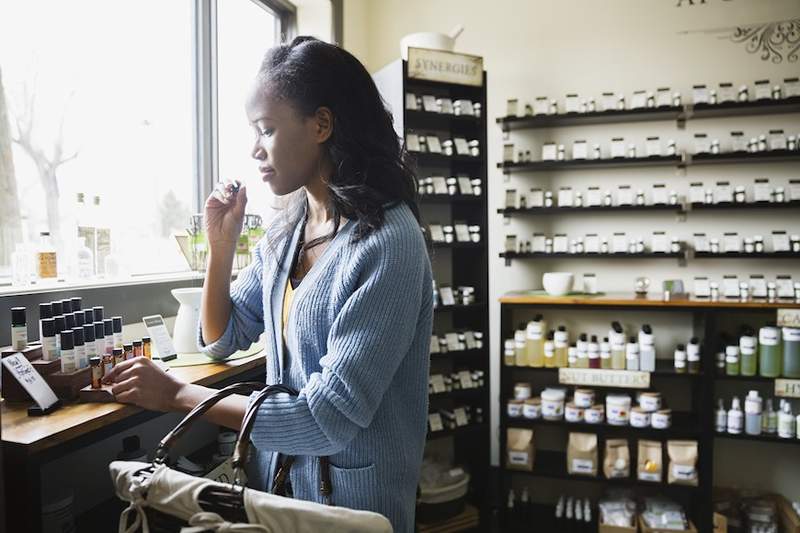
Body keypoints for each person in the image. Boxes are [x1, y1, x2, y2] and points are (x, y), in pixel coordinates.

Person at [103, 36, 433, 532]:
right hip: (276, 489)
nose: (255, 149)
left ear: (321, 124)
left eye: (267, 129)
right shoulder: (288, 230)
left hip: (354, 501)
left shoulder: (388, 244)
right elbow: (221, 338)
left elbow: (326, 419)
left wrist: (176, 396)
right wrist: (221, 247)